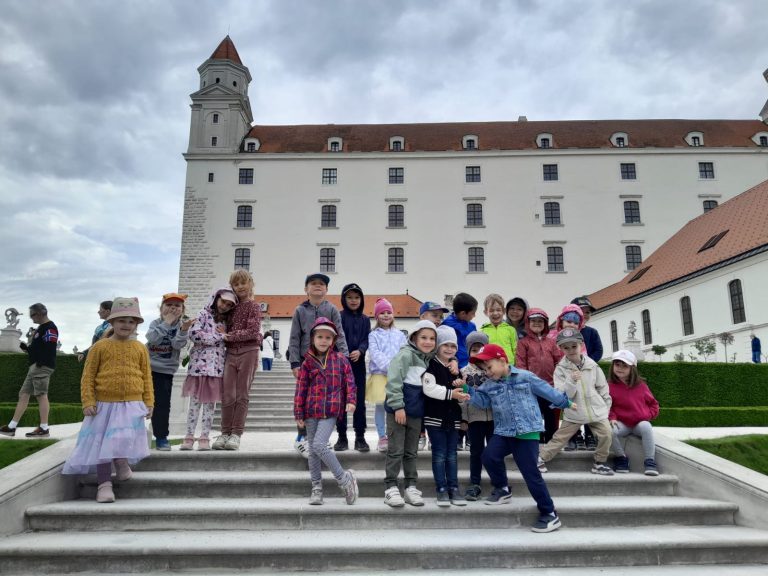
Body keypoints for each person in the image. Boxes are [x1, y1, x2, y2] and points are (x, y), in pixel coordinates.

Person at [466, 344, 573, 533]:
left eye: (489, 367)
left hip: (527, 432)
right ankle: (502, 489)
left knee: (530, 473)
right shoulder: (489, 385)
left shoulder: (525, 377)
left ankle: (549, 513)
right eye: (484, 369)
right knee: (489, 456)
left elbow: (547, 391)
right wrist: (468, 389)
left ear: (502, 360)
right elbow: (482, 402)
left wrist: (565, 402)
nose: (487, 372)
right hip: (504, 431)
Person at [62, 297, 154, 503]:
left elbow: (146, 377)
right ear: (112, 322)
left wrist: (149, 402)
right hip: (103, 405)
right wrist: (88, 401)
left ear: (136, 325)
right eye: (122, 320)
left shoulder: (140, 348)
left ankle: (121, 462)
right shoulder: (100, 347)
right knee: (103, 446)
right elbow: (88, 376)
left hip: (131, 404)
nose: (126, 325)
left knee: (122, 439)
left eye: (131, 321)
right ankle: (104, 484)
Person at [293, 317, 359, 506]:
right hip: (310, 411)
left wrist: (352, 401)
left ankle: (344, 479)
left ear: (333, 340)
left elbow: (350, 383)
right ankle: (316, 487)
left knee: (320, 445)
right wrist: (298, 413)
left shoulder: (340, 360)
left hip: (331, 410)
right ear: (313, 338)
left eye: (328, 338)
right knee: (313, 451)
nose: (324, 340)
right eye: (320, 336)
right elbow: (301, 389)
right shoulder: (307, 362)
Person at [538, 328, 614, 476]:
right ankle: (540, 458)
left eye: (574, 346)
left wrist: (606, 407)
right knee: (559, 438)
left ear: (581, 345)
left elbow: (602, 387)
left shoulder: (592, 365)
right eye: (566, 347)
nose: (571, 350)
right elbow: (563, 394)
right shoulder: (560, 369)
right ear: (561, 349)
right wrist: (572, 380)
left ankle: (599, 463)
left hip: (596, 411)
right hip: (574, 411)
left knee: (606, 434)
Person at [288, 273, 349, 457]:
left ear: (327, 290)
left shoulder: (332, 309)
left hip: (327, 364)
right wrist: (294, 362)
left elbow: (340, 334)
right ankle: (303, 438)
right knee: (304, 400)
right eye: (313, 284)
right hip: (307, 363)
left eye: (321, 284)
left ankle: (322, 438)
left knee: (323, 399)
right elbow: (294, 337)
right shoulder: (300, 311)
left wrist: (344, 357)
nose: (317, 286)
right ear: (306, 289)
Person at [383, 320, 437, 508]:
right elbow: (393, 381)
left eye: (432, 338)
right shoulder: (405, 355)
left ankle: (411, 487)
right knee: (396, 450)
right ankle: (391, 487)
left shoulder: (427, 358)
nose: (428, 341)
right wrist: (398, 406)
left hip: (415, 413)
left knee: (411, 452)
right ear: (414, 338)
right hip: (399, 412)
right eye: (423, 337)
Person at [180, 287, 238, 451]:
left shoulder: (226, 322)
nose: (224, 306)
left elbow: (229, 340)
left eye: (228, 305)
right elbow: (194, 334)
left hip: (216, 369)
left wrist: (225, 336)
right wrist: (219, 337)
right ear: (215, 299)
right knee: (195, 405)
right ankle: (189, 437)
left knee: (210, 407)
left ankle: (204, 437)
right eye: (223, 302)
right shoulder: (203, 314)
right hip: (198, 368)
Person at [422, 326, 470, 506]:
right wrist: (452, 393)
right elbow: (429, 389)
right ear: (438, 346)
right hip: (435, 417)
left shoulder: (455, 369)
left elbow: (461, 394)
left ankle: (454, 488)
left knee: (452, 455)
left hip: (453, 419)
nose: (450, 349)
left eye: (453, 346)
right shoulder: (430, 364)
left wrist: (461, 393)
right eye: (445, 345)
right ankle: (441, 489)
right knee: (439, 454)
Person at [215, 269, 262, 451]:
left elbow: (252, 331)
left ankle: (236, 434)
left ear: (250, 284)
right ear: (232, 287)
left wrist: (229, 336)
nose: (240, 286)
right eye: (236, 284)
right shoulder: (230, 307)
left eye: (244, 282)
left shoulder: (254, 306)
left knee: (242, 394)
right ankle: (224, 432)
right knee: (228, 395)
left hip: (248, 352)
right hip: (230, 353)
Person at [0, 303, 59, 438]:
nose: (31, 318)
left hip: (41, 367)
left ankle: (44, 428)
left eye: (32, 315)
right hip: (35, 367)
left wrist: (40, 362)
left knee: (41, 395)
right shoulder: (41, 328)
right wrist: (27, 349)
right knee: (24, 394)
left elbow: (50, 347)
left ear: (40, 313)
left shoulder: (50, 328)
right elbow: (41, 348)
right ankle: (11, 427)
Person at [146, 293, 192, 451]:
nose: (173, 308)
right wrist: (166, 323)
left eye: (177, 306)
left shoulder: (181, 325)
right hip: (146, 368)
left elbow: (177, 345)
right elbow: (152, 339)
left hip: (165, 371)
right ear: (161, 309)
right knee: (138, 403)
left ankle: (161, 437)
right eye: (169, 305)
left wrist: (184, 330)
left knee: (162, 405)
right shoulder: (156, 323)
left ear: (182, 310)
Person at [608, 350, 660, 476]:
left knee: (646, 426)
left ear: (632, 368)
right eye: (617, 365)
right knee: (609, 431)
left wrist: (646, 416)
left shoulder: (641, 386)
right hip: (622, 424)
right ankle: (621, 458)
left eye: (624, 366)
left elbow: (654, 405)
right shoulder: (609, 386)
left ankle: (650, 461)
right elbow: (607, 406)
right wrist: (612, 417)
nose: (620, 368)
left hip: (638, 424)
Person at [515, 308, 563, 443]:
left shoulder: (551, 342)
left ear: (546, 324)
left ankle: (551, 442)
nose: (537, 323)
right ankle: (536, 443)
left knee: (551, 417)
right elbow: (520, 364)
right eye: (533, 321)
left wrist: (559, 381)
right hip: (532, 388)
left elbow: (559, 361)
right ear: (527, 323)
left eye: (540, 321)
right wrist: (524, 383)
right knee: (534, 416)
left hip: (549, 386)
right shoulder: (523, 343)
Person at [552, 303, 595, 450]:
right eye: (569, 321)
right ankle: (573, 436)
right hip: (562, 377)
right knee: (568, 407)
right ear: (561, 321)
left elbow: (585, 358)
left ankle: (589, 435)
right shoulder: (553, 336)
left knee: (584, 405)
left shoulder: (579, 339)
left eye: (576, 322)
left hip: (578, 378)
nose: (572, 324)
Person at [366, 298, 406, 453]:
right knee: (381, 406)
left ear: (393, 315)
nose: (386, 315)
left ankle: (394, 435)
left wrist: (398, 369)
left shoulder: (400, 335)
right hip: (380, 375)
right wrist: (390, 367)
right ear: (377, 316)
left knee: (396, 405)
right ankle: (382, 436)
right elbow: (375, 353)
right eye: (382, 313)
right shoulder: (374, 335)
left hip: (397, 376)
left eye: (388, 312)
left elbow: (404, 352)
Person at [335, 283, 371, 452]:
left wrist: (361, 350)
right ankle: (342, 437)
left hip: (358, 366)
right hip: (341, 366)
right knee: (341, 401)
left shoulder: (365, 319)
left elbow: (366, 339)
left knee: (359, 402)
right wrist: (343, 354)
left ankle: (360, 437)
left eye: (357, 297)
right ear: (344, 299)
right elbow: (336, 338)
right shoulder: (339, 316)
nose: (353, 300)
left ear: (361, 299)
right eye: (349, 297)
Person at [460, 331, 493, 501]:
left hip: (494, 419)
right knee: (476, 451)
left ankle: (498, 482)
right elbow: (464, 399)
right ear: (468, 352)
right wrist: (464, 419)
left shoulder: (493, 370)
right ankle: (474, 483)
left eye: (481, 349)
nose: (478, 354)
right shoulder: (464, 372)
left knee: (495, 451)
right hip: (474, 419)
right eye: (474, 350)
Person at [416, 301, 450, 450]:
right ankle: (420, 435)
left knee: (432, 407)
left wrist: (453, 360)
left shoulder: (440, 334)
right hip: (417, 379)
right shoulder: (416, 335)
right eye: (434, 315)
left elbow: (447, 351)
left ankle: (431, 437)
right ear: (422, 316)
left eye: (440, 317)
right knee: (420, 407)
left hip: (435, 377)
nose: (438, 319)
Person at [441, 293, 478, 369]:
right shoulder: (447, 325)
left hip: (471, 365)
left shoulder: (472, 326)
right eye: (473, 313)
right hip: (454, 366)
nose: (474, 315)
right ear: (463, 313)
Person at [481, 293, 517, 365]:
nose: (495, 313)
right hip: (491, 368)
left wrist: (516, 368)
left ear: (504, 311)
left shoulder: (511, 330)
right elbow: (481, 351)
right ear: (485, 312)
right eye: (491, 310)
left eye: (498, 310)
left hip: (509, 368)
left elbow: (516, 351)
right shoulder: (482, 331)